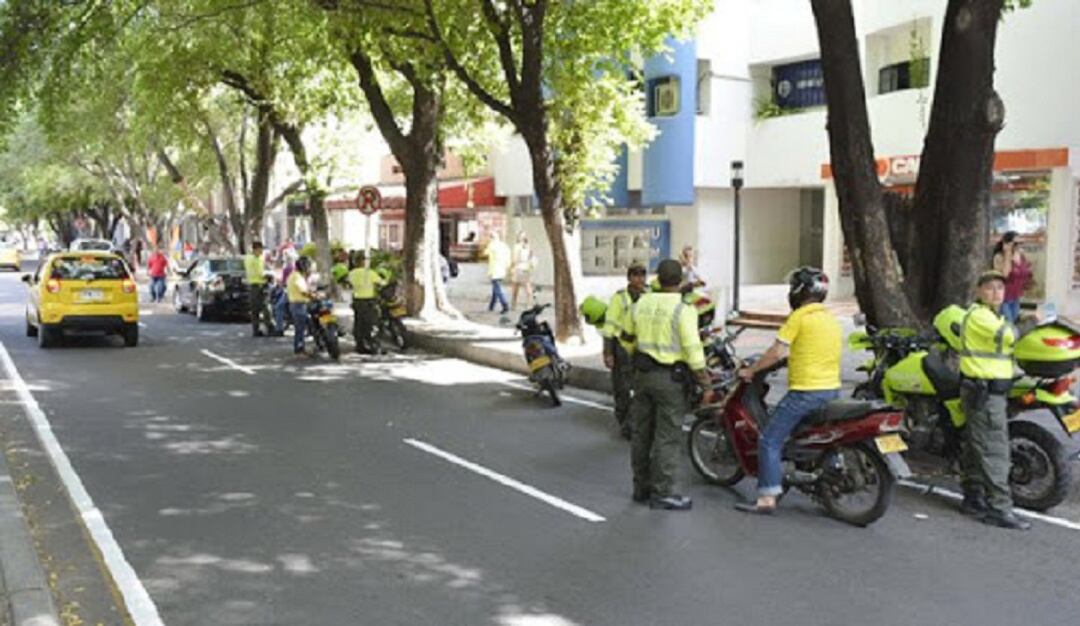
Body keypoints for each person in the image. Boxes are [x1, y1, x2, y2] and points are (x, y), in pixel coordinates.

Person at [735, 267, 842, 515]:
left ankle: (767, 497)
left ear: (799, 291)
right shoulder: (829, 318)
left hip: (805, 392)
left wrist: (752, 371)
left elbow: (777, 351)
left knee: (769, 440)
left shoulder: (800, 317)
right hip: (831, 391)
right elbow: (809, 350)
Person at [623, 259, 714, 511]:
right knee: (667, 436)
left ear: (658, 279)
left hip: (642, 376)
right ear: (680, 280)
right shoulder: (683, 310)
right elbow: (694, 351)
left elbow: (626, 337)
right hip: (669, 380)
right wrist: (706, 384)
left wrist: (637, 358)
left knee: (642, 432)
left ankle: (640, 487)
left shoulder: (640, 303)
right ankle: (662, 492)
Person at [957, 271, 1030, 530]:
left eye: (1000, 288)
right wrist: (1033, 322)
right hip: (984, 393)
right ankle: (1000, 508)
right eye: (990, 288)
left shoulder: (996, 315)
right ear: (979, 291)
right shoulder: (979, 316)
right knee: (994, 450)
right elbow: (1008, 337)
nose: (997, 292)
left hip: (990, 391)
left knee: (978, 445)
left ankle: (973, 497)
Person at [603, 262, 648, 440]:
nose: (640, 279)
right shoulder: (619, 298)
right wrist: (608, 352)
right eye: (636, 275)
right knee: (622, 388)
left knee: (639, 389)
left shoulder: (649, 295)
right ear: (629, 278)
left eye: (642, 275)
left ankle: (635, 423)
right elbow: (609, 327)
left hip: (642, 348)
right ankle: (624, 422)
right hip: (621, 347)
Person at [345, 251, 386, 355]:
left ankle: (360, 346)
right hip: (369, 301)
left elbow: (347, 285)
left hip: (358, 301)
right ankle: (374, 345)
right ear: (363, 261)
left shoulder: (352, 274)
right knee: (372, 324)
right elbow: (382, 282)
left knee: (359, 324)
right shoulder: (370, 273)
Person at [992, 231, 1032, 323]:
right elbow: (1005, 275)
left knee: (1014, 323)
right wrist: (1007, 254)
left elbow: (1026, 273)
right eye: (1016, 243)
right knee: (1008, 326)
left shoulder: (1020, 256)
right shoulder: (999, 257)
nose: (1019, 246)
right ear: (1007, 244)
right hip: (1004, 299)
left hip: (1016, 297)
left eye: (1021, 243)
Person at [287, 256, 316, 357]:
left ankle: (302, 347)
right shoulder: (297, 277)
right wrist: (314, 296)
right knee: (300, 329)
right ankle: (299, 349)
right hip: (298, 304)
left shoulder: (294, 275)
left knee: (302, 327)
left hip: (296, 304)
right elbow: (303, 291)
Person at [245, 241, 274, 337]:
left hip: (254, 286)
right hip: (258, 286)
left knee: (256, 310)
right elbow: (259, 273)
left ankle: (256, 329)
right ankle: (269, 328)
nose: (262, 252)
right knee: (265, 308)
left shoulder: (251, 258)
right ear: (256, 249)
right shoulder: (254, 259)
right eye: (260, 250)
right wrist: (268, 276)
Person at [485, 231, 511, 315]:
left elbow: (485, 253)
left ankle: (504, 304)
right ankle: (491, 305)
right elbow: (508, 258)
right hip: (502, 269)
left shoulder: (492, 245)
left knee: (497, 288)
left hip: (494, 269)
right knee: (495, 287)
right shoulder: (504, 246)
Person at [510, 232, 536, 310]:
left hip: (518, 268)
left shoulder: (517, 246)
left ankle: (513, 305)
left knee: (515, 288)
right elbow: (531, 257)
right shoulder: (528, 247)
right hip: (526, 268)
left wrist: (512, 267)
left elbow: (514, 259)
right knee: (528, 287)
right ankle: (529, 305)